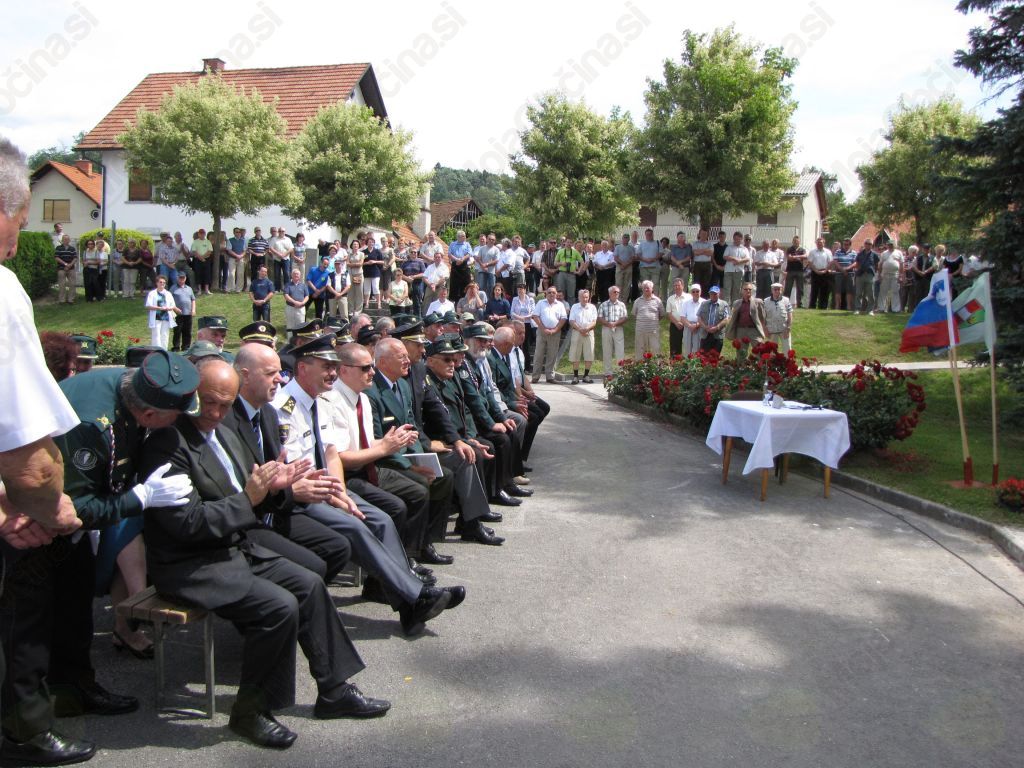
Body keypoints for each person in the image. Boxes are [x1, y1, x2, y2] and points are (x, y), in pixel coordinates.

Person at [139, 358, 387, 749]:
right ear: (191, 397)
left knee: (309, 584)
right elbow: (187, 523)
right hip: (189, 562)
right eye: (208, 403)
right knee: (278, 607)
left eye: (225, 404)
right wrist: (252, 496)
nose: (216, 413)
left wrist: (276, 486)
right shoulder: (167, 444)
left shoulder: (225, 431)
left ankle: (334, 689)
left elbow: (254, 491)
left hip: (233, 545)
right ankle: (250, 711)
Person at [4, 350, 198, 765]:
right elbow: (69, 508)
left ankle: (73, 689)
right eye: (175, 415)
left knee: (74, 610)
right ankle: (24, 733)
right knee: (28, 633)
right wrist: (138, 499)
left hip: (65, 532)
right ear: (149, 414)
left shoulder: (129, 389)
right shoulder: (91, 426)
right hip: (31, 527)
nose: (180, 422)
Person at [273, 335, 458, 635]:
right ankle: (414, 598)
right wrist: (338, 494)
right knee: (357, 525)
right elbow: (300, 469)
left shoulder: (318, 399)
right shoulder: (286, 407)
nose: (332, 373)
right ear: (303, 368)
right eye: (326, 367)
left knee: (382, 519)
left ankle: (410, 599)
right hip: (304, 494)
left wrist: (340, 491)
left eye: (334, 366)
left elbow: (330, 453)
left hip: (330, 486)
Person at [530, 287, 567, 384]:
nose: (551, 294)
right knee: (538, 354)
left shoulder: (560, 305)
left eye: (553, 292)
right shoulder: (540, 303)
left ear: (556, 294)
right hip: (542, 332)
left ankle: (550, 376)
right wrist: (543, 329)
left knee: (552, 354)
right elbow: (535, 316)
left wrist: (555, 329)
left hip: (555, 332)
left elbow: (563, 318)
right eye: (549, 292)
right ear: (546, 294)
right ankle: (535, 376)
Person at [723, 283, 767, 361]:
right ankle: (742, 367)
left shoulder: (758, 302)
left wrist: (763, 330)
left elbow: (762, 317)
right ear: (741, 291)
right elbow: (734, 318)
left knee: (760, 351)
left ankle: (761, 367)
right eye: (745, 289)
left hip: (754, 330)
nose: (748, 291)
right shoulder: (736, 303)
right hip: (741, 330)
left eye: (750, 289)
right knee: (741, 354)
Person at [566, 289, 597, 384]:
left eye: (587, 297)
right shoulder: (574, 307)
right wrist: (580, 329)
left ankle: (586, 376)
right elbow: (571, 320)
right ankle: (575, 377)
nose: (585, 299)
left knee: (589, 354)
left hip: (589, 332)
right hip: (577, 332)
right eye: (583, 297)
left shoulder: (592, 307)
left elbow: (594, 321)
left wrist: (586, 329)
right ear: (579, 297)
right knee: (575, 354)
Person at [597, 285, 628, 379]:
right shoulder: (603, 304)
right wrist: (608, 324)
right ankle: (608, 373)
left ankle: (621, 372)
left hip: (618, 328)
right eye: (615, 292)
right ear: (610, 293)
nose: (617, 293)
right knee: (607, 350)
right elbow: (599, 317)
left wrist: (615, 323)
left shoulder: (622, 305)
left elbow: (625, 317)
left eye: (618, 292)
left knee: (620, 351)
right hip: (606, 328)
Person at [144, 275, 179, 349]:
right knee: (156, 335)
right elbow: (148, 306)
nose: (162, 284)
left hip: (166, 317)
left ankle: (164, 351)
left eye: (164, 282)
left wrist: (169, 308)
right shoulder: (152, 293)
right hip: (156, 317)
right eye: (160, 282)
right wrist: (159, 308)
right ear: (157, 283)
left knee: (165, 335)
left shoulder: (168, 293)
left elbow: (173, 305)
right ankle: (157, 351)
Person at [632, 280, 664, 357]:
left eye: (648, 288)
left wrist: (652, 320)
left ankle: (656, 364)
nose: (646, 289)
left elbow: (662, 314)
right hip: (640, 331)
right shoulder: (637, 301)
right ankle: (639, 364)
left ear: (652, 289)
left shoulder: (658, 301)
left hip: (653, 330)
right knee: (640, 351)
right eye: (644, 288)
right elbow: (634, 314)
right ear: (642, 289)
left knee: (655, 350)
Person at [696, 285, 730, 354]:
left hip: (718, 335)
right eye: (711, 293)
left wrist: (717, 327)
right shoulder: (704, 303)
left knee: (715, 356)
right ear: (709, 294)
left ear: (719, 294)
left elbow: (726, 319)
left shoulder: (724, 304)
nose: (713, 295)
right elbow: (699, 317)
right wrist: (705, 327)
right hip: (705, 334)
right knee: (703, 356)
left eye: (715, 294)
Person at [510, 284, 536, 372]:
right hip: (517, 323)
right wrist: (519, 317)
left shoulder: (530, 300)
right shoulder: (515, 299)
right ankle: (517, 366)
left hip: (527, 324)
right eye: (518, 289)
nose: (520, 291)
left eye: (521, 289)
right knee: (516, 344)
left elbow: (533, 312)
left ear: (525, 290)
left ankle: (527, 367)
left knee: (526, 346)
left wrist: (524, 318)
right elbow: (512, 312)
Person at [722, 231, 751, 307]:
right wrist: (734, 258)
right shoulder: (729, 247)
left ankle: (734, 308)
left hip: (739, 272)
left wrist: (739, 261)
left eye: (738, 239)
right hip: (729, 271)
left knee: (736, 291)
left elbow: (748, 259)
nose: (736, 240)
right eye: (735, 239)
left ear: (741, 239)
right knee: (727, 290)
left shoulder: (744, 249)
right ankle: (725, 308)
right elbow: (725, 256)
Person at [170, 272, 197, 352]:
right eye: (180, 278)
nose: (181, 279)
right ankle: (176, 347)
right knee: (177, 331)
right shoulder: (173, 288)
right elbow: (169, 300)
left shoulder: (189, 288)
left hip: (188, 313)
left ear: (185, 278)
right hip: (177, 314)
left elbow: (193, 300)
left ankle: (186, 347)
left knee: (187, 331)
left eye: (183, 278)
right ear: (177, 278)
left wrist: (193, 310)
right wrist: (175, 308)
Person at [764, 282, 794, 353]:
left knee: (787, 350)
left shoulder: (786, 300)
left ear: (782, 290)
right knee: (772, 352)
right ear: (772, 290)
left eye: (779, 289)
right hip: (771, 330)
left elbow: (790, 315)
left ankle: (787, 360)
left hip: (784, 330)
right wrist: (765, 329)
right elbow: (763, 317)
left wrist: (788, 327)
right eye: (775, 289)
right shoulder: (765, 301)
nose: (777, 291)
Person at [665, 279, 691, 358]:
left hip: (687, 325)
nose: (677, 287)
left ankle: (687, 362)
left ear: (683, 286)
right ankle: (674, 363)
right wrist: (676, 323)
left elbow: (691, 311)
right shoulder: (670, 299)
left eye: (678, 285)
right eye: (675, 286)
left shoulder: (689, 297)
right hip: (674, 325)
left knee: (687, 346)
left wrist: (684, 322)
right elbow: (669, 313)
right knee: (674, 347)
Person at [807, 237, 833, 310]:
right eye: (818, 243)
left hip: (825, 272)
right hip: (815, 272)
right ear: (816, 243)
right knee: (814, 290)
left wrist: (825, 270)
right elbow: (810, 262)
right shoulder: (812, 252)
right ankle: (812, 306)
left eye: (821, 243)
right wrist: (816, 271)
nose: (819, 244)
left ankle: (823, 306)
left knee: (824, 290)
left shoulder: (828, 251)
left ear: (824, 243)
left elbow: (830, 262)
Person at [854, 240, 879, 315]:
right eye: (867, 243)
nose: (868, 245)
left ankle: (870, 310)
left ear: (872, 245)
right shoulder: (860, 254)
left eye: (870, 244)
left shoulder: (875, 254)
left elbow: (876, 265)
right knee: (858, 293)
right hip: (860, 275)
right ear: (864, 244)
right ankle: (857, 309)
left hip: (869, 275)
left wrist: (873, 272)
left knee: (870, 293)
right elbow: (857, 264)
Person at [783, 235, 807, 308]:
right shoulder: (789, 249)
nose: (796, 242)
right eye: (795, 241)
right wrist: (799, 257)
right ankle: (785, 303)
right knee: (788, 288)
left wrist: (795, 257)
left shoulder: (802, 249)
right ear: (793, 242)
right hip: (790, 271)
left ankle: (800, 304)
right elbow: (789, 258)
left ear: (799, 242)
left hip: (800, 271)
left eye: (797, 241)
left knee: (800, 288)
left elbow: (805, 256)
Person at [306, 256, 331, 320]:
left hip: (320, 295)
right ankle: (303, 323)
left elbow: (326, 285)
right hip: (310, 293)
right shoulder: (313, 269)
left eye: (327, 265)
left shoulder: (328, 273)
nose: (325, 266)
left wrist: (318, 292)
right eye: (324, 264)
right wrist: (315, 290)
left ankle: (318, 325)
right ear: (321, 263)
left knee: (319, 313)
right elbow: (308, 280)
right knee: (304, 309)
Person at [327, 250, 350, 319]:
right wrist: (336, 293)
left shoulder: (346, 274)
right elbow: (328, 286)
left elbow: (348, 286)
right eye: (336, 264)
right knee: (332, 315)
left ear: (342, 264)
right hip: (332, 296)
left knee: (344, 315)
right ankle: (332, 325)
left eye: (339, 264)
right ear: (334, 265)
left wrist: (340, 294)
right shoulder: (330, 275)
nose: (338, 265)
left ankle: (345, 325)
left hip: (343, 296)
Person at [55, 234, 77, 304]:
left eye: (67, 239)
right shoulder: (58, 248)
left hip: (71, 268)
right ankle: (62, 300)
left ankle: (71, 299)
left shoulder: (72, 248)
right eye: (64, 239)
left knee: (72, 284)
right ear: (62, 240)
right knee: (62, 284)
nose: (66, 240)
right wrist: (65, 264)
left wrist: (70, 265)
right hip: (61, 268)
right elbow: (57, 258)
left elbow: (75, 258)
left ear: (69, 240)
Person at [191, 228, 213, 295]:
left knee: (207, 274)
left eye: (203, 233)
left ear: (205, 234)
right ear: (198, 234)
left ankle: (207, 289)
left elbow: (210, 251)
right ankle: (199, 290)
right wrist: (200, 258)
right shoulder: (195, 242)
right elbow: (194, 251)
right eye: (200, 233)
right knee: (198, 274)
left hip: (206, 260)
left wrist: (203, 257)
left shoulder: (208, 242)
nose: (202, 234)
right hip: (198, 260)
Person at [225, 227, 247, 292]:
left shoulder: (243, 241)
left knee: (240, 274)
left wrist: (240, 256)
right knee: (231, 274)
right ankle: (229, 288)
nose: (238, 233)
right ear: (234, 233)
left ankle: (238, 289)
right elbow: (229, 250)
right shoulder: (230, 240)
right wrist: (236, 256)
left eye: (239, 232)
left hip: (241, 259)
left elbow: (245, 250)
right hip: (232, 259)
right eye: (237, 232)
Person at [81, 237, 101, 302]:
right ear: (87, 245)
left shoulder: (96, 251)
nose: (90, 245)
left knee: (95, 283)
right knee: (87, 284)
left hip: (94, 269)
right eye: (89, 244)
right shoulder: (85, 252)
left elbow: (98, 262)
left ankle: (98, 297)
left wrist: (89, 262)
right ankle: (89, 298)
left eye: (92, 244)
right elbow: (83, 261)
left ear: (93, 245)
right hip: (86, 269)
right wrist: (84, 263)